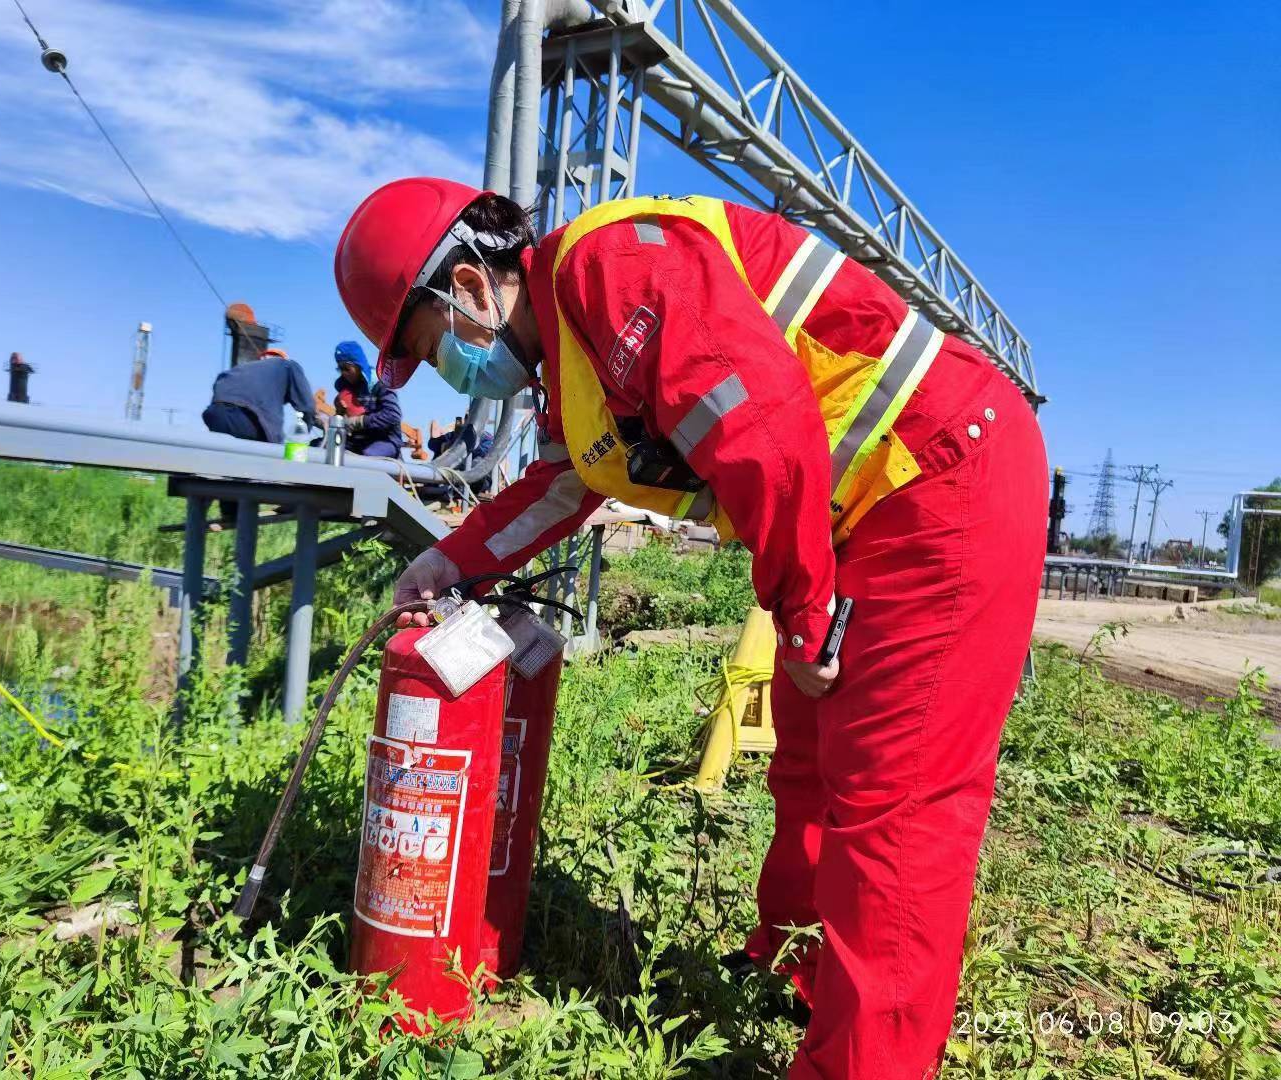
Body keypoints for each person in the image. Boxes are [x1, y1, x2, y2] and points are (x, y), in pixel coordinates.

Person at [333, 177, 1047, 1080]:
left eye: (435, 351)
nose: (453, 373)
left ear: (470, 288)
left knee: (893, 810)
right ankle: (792, 970)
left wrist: (802, 617)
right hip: (853, 513)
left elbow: (765, 427)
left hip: (942, 474)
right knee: (806, 768)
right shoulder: (570, 352)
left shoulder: (612, 267)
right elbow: (562, 485)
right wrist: (448, 563)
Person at [203, 347, 318, 445]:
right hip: (246, 417)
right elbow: (307, 406)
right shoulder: (288, 365)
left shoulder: (243, 369)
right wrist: (303, 433)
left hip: (214, 414)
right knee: (268, 457)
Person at [332, 340, 404, 458]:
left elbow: (393, 416)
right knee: (321, 447)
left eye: (346, 368)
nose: (343, 373)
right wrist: (339, 415)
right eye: (340, 369)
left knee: (366, 458)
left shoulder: (381, 384)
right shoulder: (345, 388)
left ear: (358, 365)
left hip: (385, 441)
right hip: (357, 441)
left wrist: (360, 421)